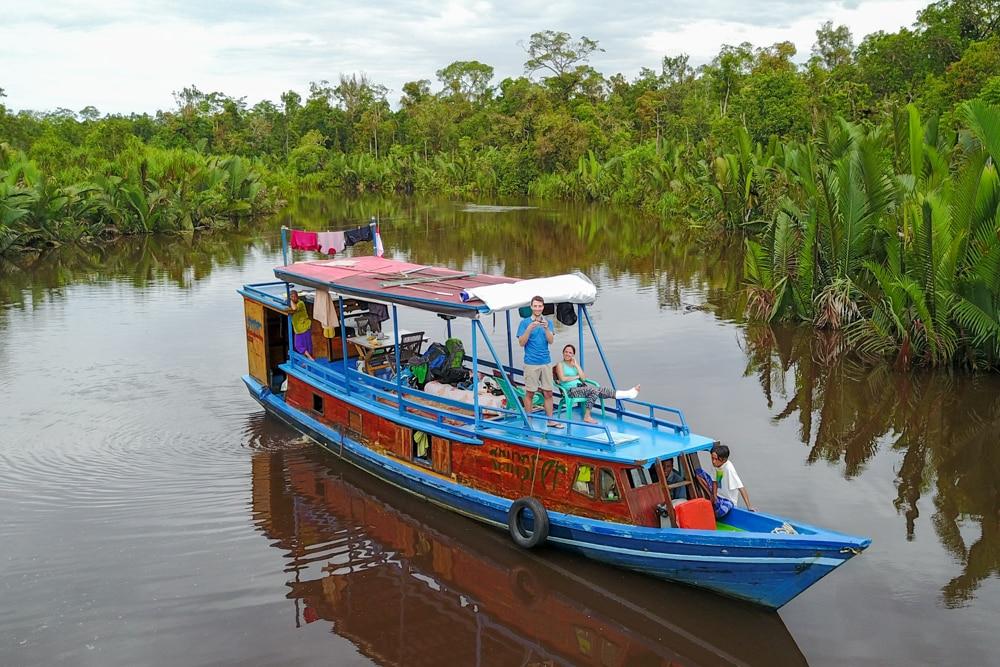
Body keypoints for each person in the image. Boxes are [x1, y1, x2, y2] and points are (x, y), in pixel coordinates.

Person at [553, 344, 640, 424]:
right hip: (570, 391)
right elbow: (562, 379)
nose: (567, 354)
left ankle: (627, 394)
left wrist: (576, 365)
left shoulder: (574, 365)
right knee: (594, 390)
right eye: (566, 352)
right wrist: (576, 377)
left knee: (601, 390)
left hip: (581, 388)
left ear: (573, 355)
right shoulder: (560, 365)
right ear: (563, 353)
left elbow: (583, 378)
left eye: (570, 353)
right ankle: (587, 416)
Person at [516, 296, 560, 428]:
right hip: (531, 363)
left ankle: (551, 420)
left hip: (546, 362)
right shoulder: (524, 323)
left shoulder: (548, 322)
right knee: (530, 392)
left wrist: (546, 328)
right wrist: (529, 328)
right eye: (535, 306)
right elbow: (521, 343)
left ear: (543, 307)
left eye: (540, 306)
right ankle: (528, 421)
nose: (537, 308)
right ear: (531, 307)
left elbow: (551, 341)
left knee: (548, 392)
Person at [710, 444, 754, 512]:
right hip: (719, 496)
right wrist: (714, 496)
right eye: (712, 458)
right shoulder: (715, 465)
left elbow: (741, 487)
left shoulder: (729, 469)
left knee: (721, 511)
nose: (713, 461)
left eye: (716, 459)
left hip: (729, 500)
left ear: (724, 460)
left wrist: (749, 507)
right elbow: (714, 481)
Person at [289, 290, 314, 360]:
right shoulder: (293, 304)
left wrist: (290, 300)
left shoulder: (301, 303)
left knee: (307, 345)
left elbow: (294, 308)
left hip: (304, 327)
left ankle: (309, 358)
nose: (293, 298)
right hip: (298, 329)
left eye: (294, 297)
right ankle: (308, 358)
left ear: (297, 297)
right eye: (292, 297)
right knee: (298, 345)